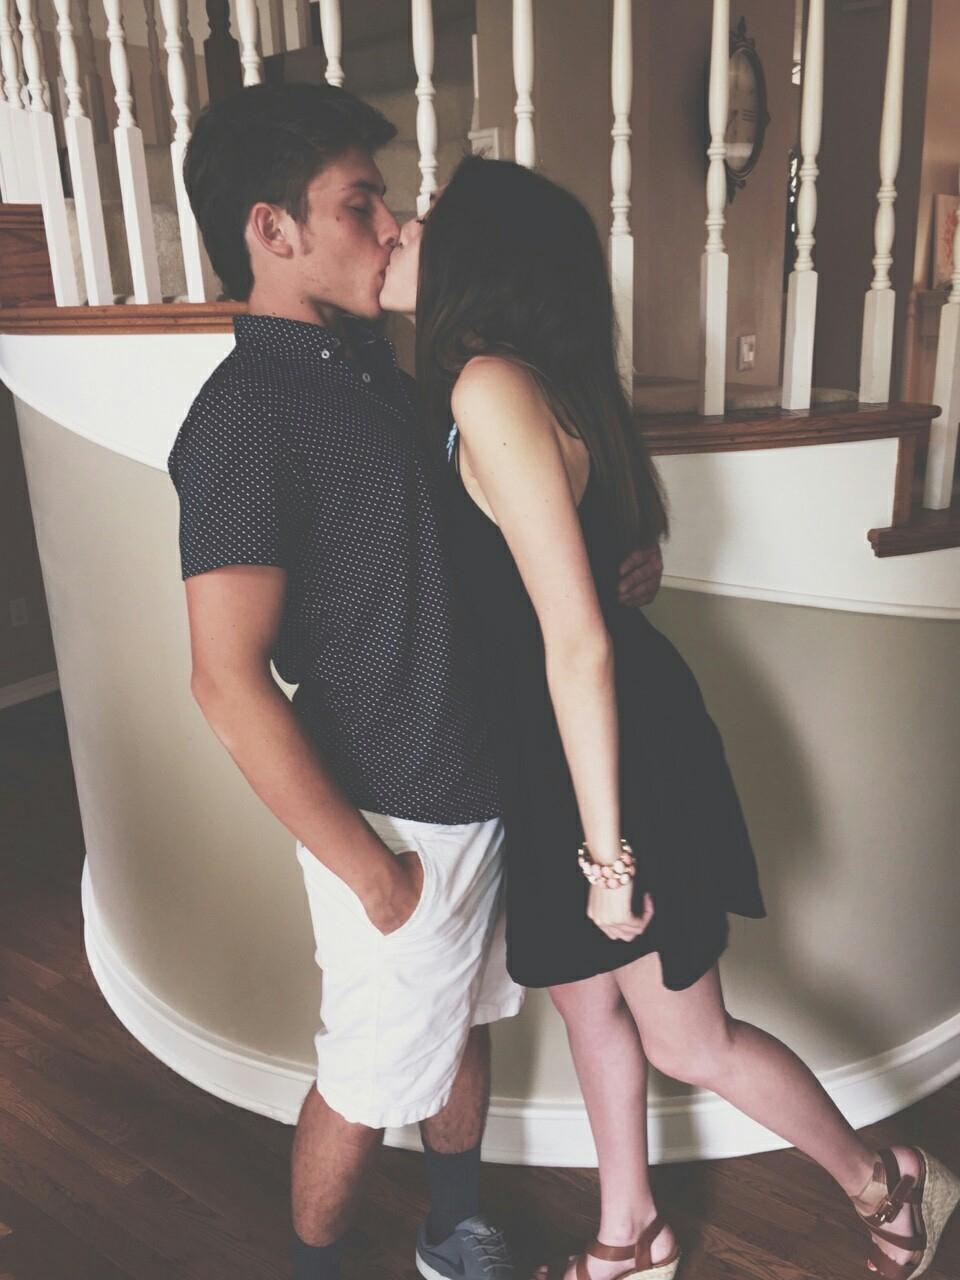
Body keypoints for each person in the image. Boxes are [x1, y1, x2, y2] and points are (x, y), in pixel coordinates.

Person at [378, 155, 960, 1280]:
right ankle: (630, 1234)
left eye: (426, 217)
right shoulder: (515, 379)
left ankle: (889, 1181)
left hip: (605, 755)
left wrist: (608, 857)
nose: (402, 227)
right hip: (555, 748)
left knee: (691, 1038)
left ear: (480, 255)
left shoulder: (490, 384)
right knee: (587, 1006)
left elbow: (580, 641)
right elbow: (588, 569)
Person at [166, 84, 661, 1280]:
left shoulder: (382, 371)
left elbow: (476, 548)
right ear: (272, 230)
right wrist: (373, 872)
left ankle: (452, 1230)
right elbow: (225, 681)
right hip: (394, 819)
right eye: (359, 204)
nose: (390, 227)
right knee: (366, 1077)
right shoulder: (241, 419)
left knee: (461, 1029)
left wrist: (605, 563)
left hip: (485, 781)